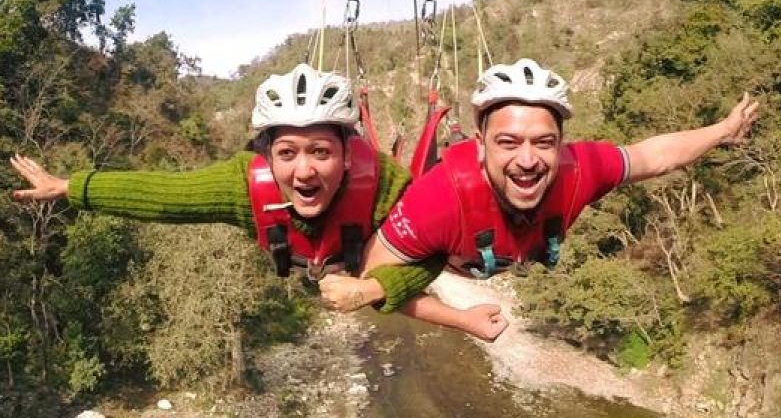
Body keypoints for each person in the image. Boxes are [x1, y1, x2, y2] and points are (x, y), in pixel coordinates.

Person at [10, 63, 505, 338]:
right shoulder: (245, 186)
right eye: (287, 153)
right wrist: (70, 187)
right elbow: (163, 195)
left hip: (363, 257)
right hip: (314, 259)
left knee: (377, 283)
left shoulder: (382, 184)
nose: (305, 170)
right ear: (268, 157)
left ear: (349, 155)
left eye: (321, 152)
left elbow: (429, 256)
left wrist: (374, 292)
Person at [318, 58, 760, 326]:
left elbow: (655, 156)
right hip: (450, 255)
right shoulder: (438, 198)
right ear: (479, 143)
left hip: (504, 250)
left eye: (543, 142)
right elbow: (374, 283)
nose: (527, 160)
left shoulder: (582, 168)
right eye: (508, 142)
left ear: (561, 143)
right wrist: (461, 320)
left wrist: (723, 130)